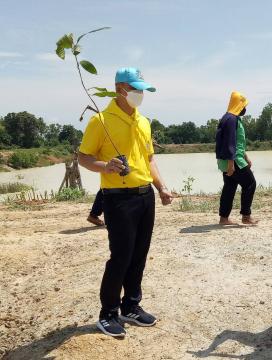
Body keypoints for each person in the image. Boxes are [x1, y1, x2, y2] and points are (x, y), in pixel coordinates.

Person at [78, 67, 173, 338]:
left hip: (145, 196)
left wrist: (161, 187)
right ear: (120, 88)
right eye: (135, 89)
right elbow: (83, 157)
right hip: (118, 199)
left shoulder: (143, 122)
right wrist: (104, 166)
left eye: (142, 90)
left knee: (139, 255)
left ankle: (131, 305)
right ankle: (108, 313)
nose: (140, 94)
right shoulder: (101, 120)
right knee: (121, 256)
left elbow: (149, 159)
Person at [215, 91, 258, 225]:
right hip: (233, 160)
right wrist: (231, 164)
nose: (245, 109)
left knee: (230, 186)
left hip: (233, 158)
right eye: (244, 105)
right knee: (250, 183)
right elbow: (229, 142)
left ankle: (224, 218)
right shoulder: (231, 119)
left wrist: (246, 156)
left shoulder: (229, 118)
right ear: (239, 105)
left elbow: (238, 141)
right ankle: (246, 216)